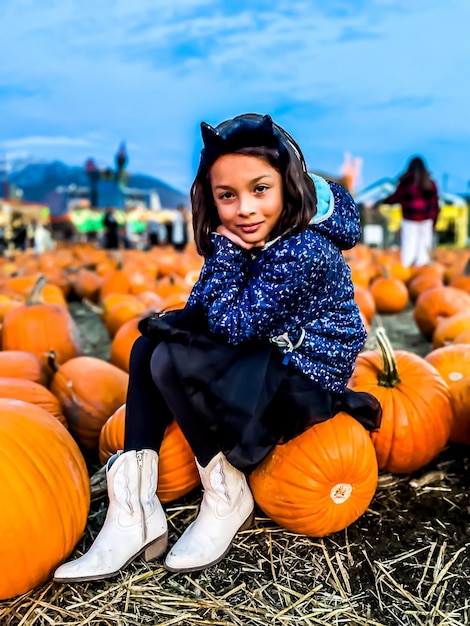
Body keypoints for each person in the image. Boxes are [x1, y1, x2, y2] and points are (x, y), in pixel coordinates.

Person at [53, 113, 381, 582]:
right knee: (150, 344)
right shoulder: (258, 236)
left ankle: (227, 496)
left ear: (289, 186)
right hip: (267, 353)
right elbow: (203, 306)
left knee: (170, 356)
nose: (244, 208)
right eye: (227, 196)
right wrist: (179, 315)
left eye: (259, 189)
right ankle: (134, 516)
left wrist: (224, 253)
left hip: (304, 378)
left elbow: (231, 324)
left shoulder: (304, 249)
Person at [379, 156, 439, 267]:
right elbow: (435, 205)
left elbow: (396, 197)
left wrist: (384, 201)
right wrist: (434, 222)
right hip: (426, 220)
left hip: (410, 220)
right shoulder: (430, 184)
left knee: (409, 248)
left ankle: (407, 273)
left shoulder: (405, 183)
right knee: (424, 250)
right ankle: (421, 273)